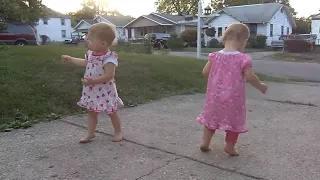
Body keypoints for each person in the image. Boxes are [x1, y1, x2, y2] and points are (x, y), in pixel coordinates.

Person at [197, 23, 268, 156]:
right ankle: (230, 147)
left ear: (224, 39)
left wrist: (216, 80)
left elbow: (205, 72)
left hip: (214, 97)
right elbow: (250, 77)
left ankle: (205, 143)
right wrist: (261, 86)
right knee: (234, 122)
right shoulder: (243, 58)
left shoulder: (214, 56)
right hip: (233, 99)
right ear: (243, 42)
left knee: (211, 120)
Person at [62, 22, 123, 143]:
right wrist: (72, 59)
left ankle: (118, 132)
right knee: (91, 112)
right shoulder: (90, 54)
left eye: (90, 40)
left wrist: (93, 80)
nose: (87, 42)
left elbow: (109, 75)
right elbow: (85, 63)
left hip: (105, 91)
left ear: (103, 43)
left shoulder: (108, 58)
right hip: (92, 90)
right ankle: (91, 133)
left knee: (111, 112)